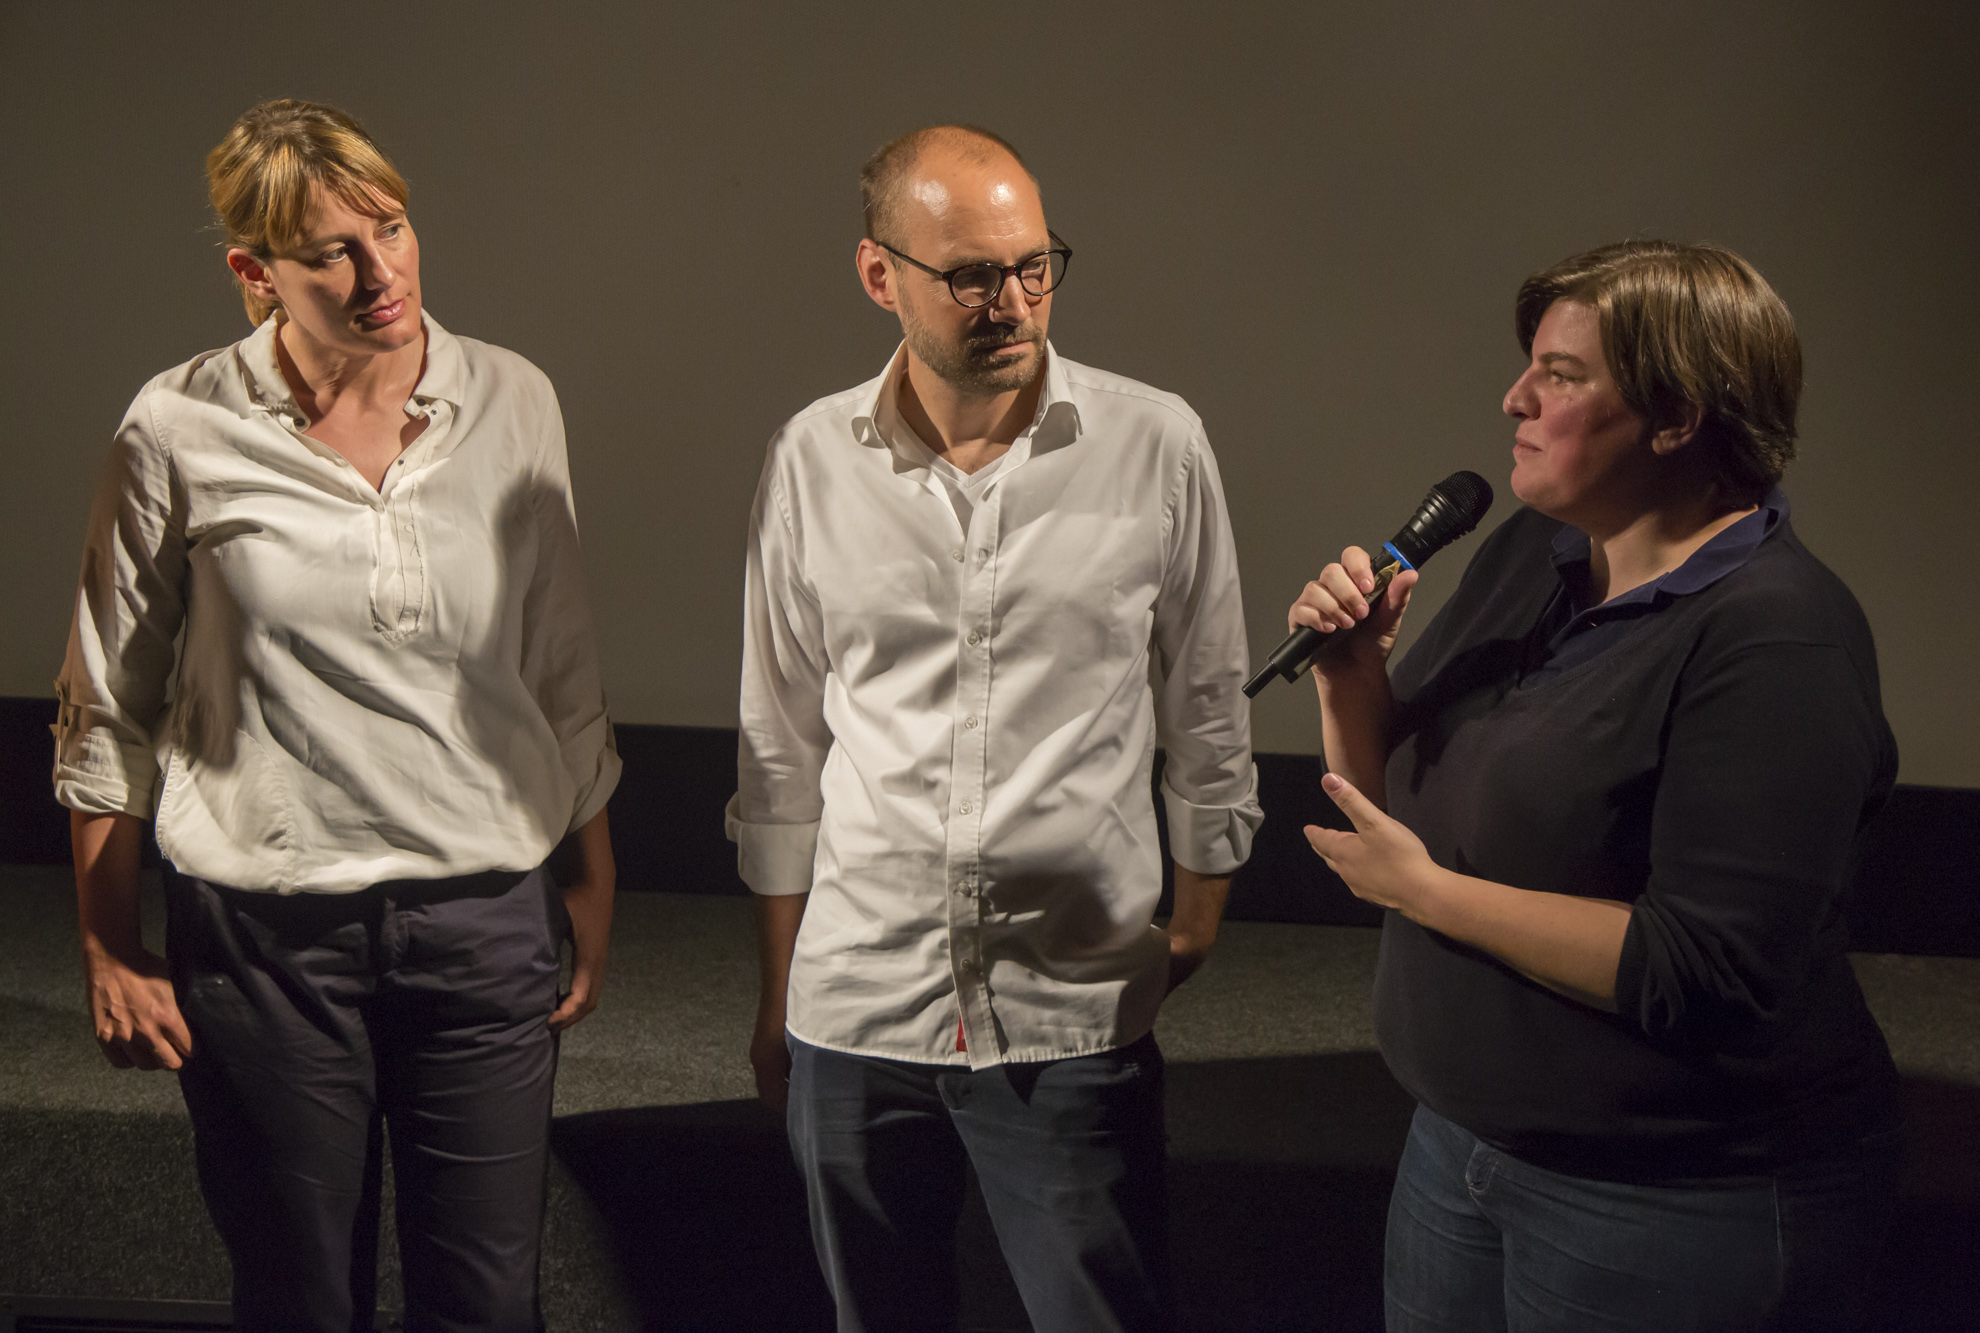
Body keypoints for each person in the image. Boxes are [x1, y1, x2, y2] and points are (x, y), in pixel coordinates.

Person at [54, 100, 620, 1332]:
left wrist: (592, 871)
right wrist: (107, 944)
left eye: (392, 230)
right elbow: (108, 701)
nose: (381, 274)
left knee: (488, 1303)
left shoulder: (511, 398)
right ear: (254, 272)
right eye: (331, 254)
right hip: (266, 939)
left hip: (482, 921)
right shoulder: (179, 423)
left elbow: (558, 661)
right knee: (300, 1299)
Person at [1291, 239, 1902, 1331]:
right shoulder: (1535, 550)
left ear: (1677, 417)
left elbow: (1701, 967)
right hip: (1461, 1148)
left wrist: (1425, 892)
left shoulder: (1777, 641)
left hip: (1665, 1199)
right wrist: (1350, 676)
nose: (1514, 397)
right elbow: (1389, 812)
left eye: (1561, 375)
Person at [728, 125, 1262, 1331]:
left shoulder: (1152, 441)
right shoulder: (812, 456)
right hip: (857, 1003)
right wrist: (779, 989)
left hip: (1069, 1007)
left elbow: (1206, 700)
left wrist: (1195, 920)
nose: (1012, 302)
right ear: (879, 275)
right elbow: (779, 746)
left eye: (1032, 265)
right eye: (970, 276)